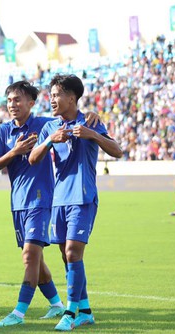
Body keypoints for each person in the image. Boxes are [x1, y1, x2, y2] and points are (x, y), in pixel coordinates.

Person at [29, 74, 122, 331]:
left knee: (72, 252)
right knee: (66, 255)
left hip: (82, 197)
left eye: (57, 95)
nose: (52, 100)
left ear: (72, 98)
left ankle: (69, 313)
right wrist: (50, 141)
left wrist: (93, 135)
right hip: (58, 199)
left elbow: (117, 151)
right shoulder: (50, 127)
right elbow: (33, 158)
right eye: (51, 95)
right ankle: (87, 311)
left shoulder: (89, 122)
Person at [0, 81, 69, 327]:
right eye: (10, 100)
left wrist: (90, 115)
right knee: (37, 259)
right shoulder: (4, 131)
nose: (12, 105)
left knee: (29, 255)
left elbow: (71, 120)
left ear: (31, 103)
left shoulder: (44, 124)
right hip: (18, 202)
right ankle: (56, 304)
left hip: (41, 198)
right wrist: (14, 152)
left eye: (18, 100)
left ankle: (19, 312)